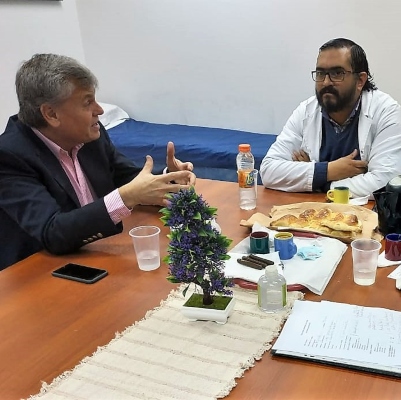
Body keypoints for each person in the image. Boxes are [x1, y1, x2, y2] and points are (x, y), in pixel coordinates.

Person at [0, 53, 196, 271]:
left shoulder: (89, 133)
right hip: (41, 273)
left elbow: (125, 177)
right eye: (87, 102)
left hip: (99, 253)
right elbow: (53, 232)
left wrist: (168, 179)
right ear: (51, 114)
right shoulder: (9, 155)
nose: (100, 111)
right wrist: (127, 197)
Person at [260, 38, 401, 199]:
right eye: (320, 73)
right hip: (314, 211)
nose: (326, 82)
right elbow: (269, 171)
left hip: (366, 212)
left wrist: (319, 182)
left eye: (337, 73)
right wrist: (329, 171)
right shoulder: (306, 111)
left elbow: (385, 183)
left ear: (360, 80)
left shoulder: (386, 111)